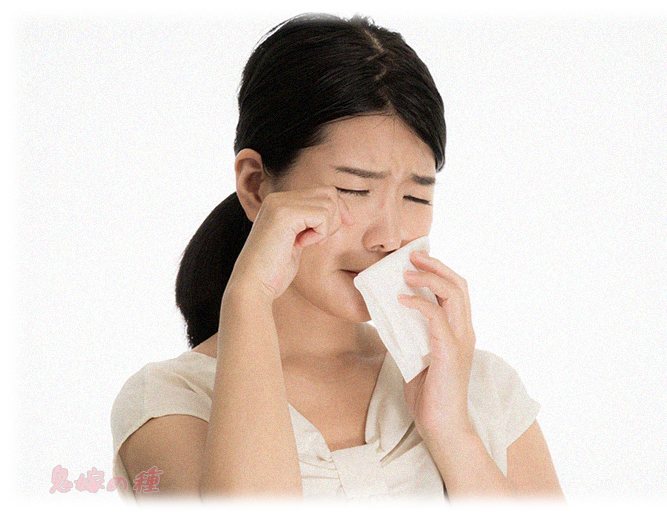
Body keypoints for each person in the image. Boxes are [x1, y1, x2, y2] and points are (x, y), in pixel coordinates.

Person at [111, 13, 564, 501]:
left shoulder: (482, 388)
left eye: (416, 197)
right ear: (256, 185)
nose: (389, 236)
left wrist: (452, 431)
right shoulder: (170, 402)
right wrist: (248, 297)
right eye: (354, 190)